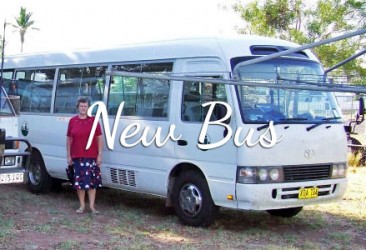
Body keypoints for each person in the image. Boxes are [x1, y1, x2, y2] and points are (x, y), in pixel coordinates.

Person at [66, 97, 103, 214]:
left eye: (85, 106)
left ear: (88, 107)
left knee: (92, 183)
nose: (83, 108)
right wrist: (69, 155)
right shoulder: (73, 121)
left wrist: (99, 155)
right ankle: (82, 205)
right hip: (77, 156)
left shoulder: (94, 121)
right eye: (81, 106)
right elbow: (69, 139)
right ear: (78, 107)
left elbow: (99, 139)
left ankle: (92, 206)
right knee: (79, 183)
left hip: (91, 156)